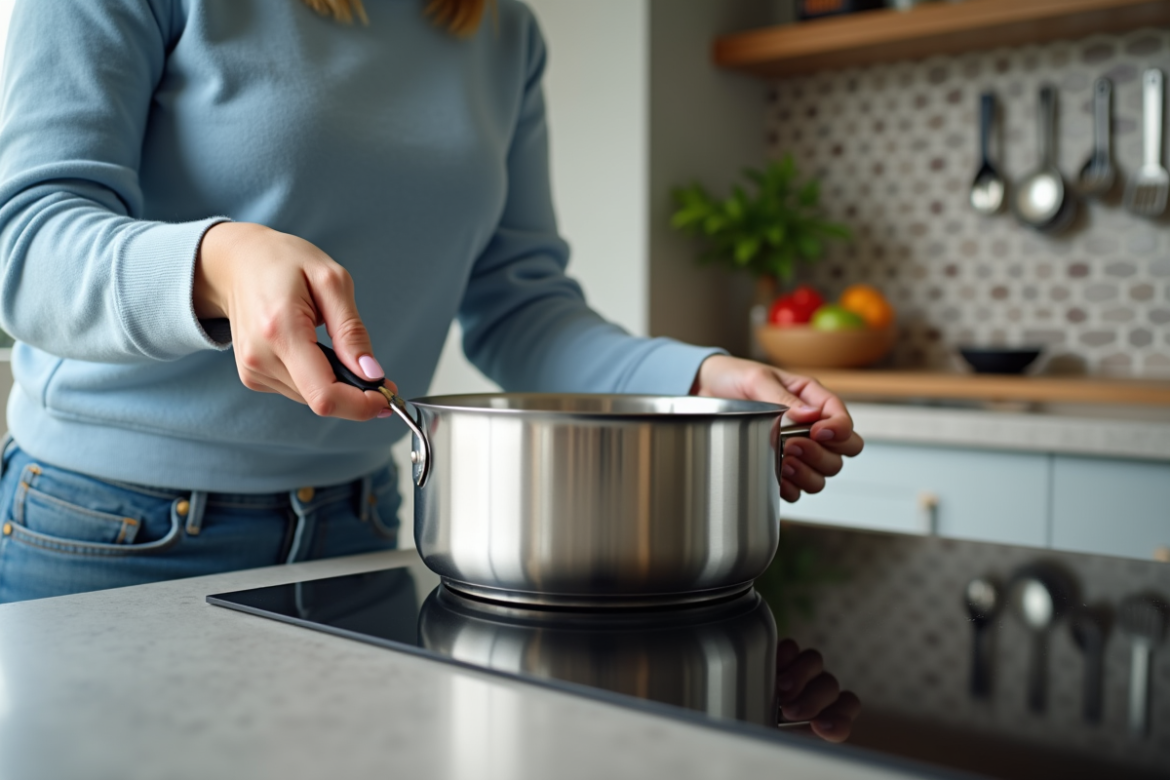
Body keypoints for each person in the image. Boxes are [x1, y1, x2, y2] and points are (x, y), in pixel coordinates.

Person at [0, 0, 863, 605]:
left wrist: (700, 379)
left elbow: (521, 307)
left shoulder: (503, 32)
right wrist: (217, 260)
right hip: (107, 531)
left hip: (360, 528)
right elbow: (24, 242)